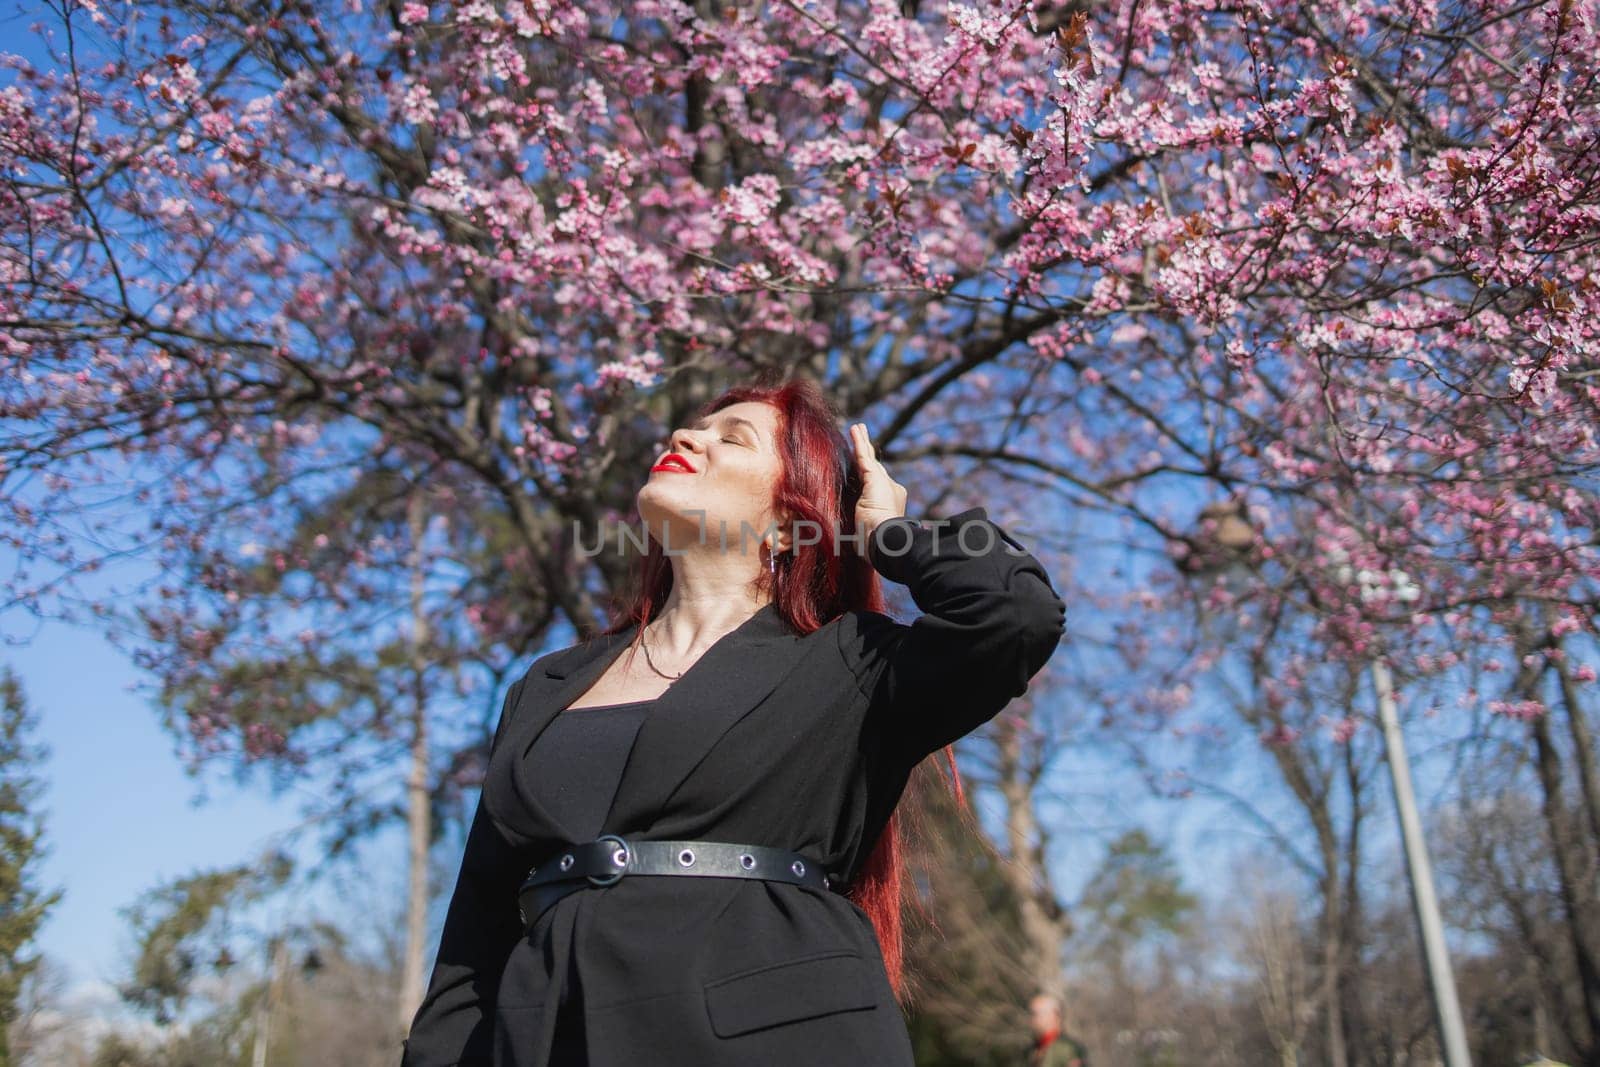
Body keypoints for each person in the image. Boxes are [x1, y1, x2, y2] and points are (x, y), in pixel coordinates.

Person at [400, 375, 1067, 1066]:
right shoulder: (547, 686)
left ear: (787, 520)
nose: (687, 436)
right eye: (692, 428)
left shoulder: (851, 665)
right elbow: (471, 946)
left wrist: (890, 535)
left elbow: (1016, 614)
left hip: (771, 1034)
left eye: (733, 437)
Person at [1026, 992, 1089, 1067]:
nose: (1032, 1020)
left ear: (1055, 1015)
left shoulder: (1069, 1049)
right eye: (1031, 1014)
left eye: (1036, 1014)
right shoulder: (1033, 1048)